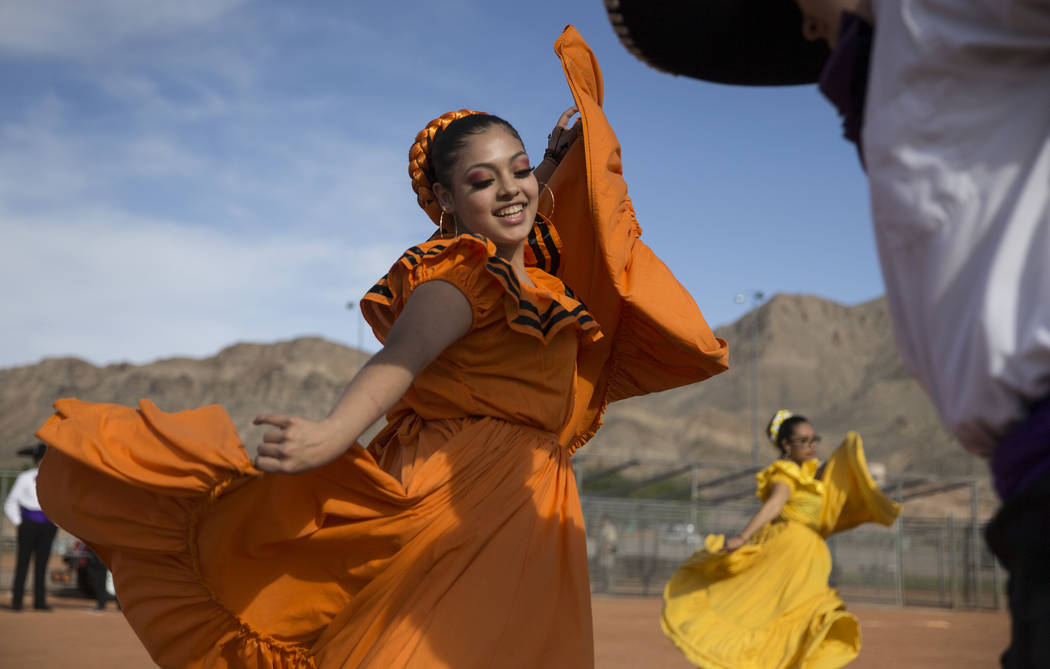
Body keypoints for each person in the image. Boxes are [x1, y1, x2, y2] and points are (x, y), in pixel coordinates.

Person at [32, 26, 729, 668]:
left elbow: (522, 204)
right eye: (483, 180)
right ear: (447, 201)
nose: (514, 189)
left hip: (527, 502)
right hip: (460, 497)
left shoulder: (533, 268)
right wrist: (334, 433)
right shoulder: (458, 275)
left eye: (518, 169)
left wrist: (548, 162)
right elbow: (399, 358)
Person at [604, 1, 1050, 665]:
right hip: (1024, 489)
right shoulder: (789, 475)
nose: (806, 27)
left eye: (800, 7)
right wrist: (739, 540)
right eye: (805, 438)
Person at [661, 410, 900, 668]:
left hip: (811, 556)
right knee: (776, 613)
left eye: (813, 440)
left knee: (803, 616)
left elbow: (833, 483)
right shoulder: (784, 473)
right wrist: (743, 536)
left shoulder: (809, 474)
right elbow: (775, 504)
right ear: (786, 445)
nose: (811, 446)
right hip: (788, 551)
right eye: (803, 441)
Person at [4, 443, 58, 611]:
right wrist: (19, 522)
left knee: (42, 564)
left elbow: (59, 503)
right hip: (28, 524)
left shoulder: (55, 479)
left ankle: (39, 601)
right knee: (23, 563)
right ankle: (17, 601)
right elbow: (11, 502)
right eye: (41, 459)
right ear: (36, 461)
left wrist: (55, 523)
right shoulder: (25, 478)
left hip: (47, 526)